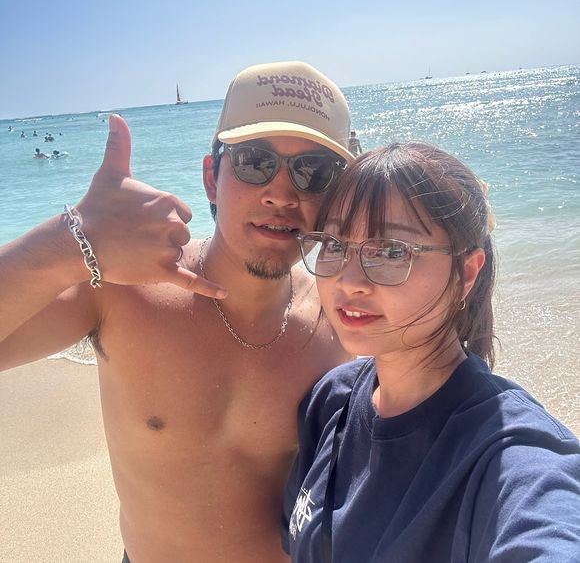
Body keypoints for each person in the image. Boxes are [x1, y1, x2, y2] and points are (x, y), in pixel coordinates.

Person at [0, 61, 355, 562]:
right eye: (255, 162)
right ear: (211, 179)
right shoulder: (122, 290)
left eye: (314, 172)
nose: (281, 194)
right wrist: (66, 243)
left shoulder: (343, 322)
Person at [283, 142, 580, 562]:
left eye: (391, 251)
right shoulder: (331, 402)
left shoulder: (506, 452)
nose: (348, 281)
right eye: (333, 245)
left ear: (465, 273)